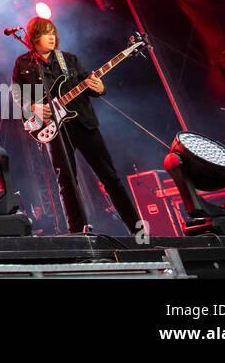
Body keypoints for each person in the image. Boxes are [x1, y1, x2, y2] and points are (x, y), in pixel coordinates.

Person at [11, 16, 141, 235]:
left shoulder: (69, 59)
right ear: (34, 37)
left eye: (53, 32)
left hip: (84, 123)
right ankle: (78, 233)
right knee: (67, 182)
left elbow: (90, 87)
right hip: (54, 128)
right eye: (46, 33)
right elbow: (15, 91)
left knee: (109, 176)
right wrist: (31, 106)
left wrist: (99, 88)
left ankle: (137, 231)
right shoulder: (22, 63)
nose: (52, 37)